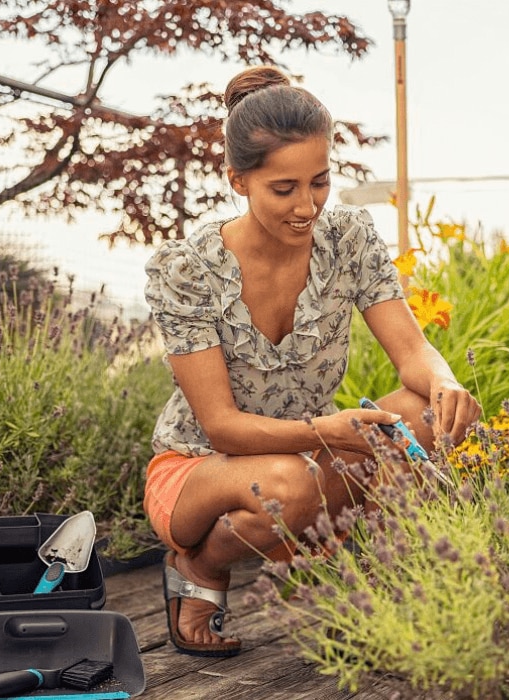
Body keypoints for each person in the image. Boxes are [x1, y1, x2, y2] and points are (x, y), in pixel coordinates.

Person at [142, 65, 481, 658]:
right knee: (291, 485)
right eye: (284, 189)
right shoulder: (187, 268)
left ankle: (379, 583)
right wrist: (326, 432)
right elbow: (221, 425)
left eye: (319, 182)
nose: (308, 207)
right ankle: (200, 566)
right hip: (203, 466)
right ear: (238, 181)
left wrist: (445, 380)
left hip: (309, 450)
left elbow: (412, 353)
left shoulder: (347, 237)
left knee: (430, 413)